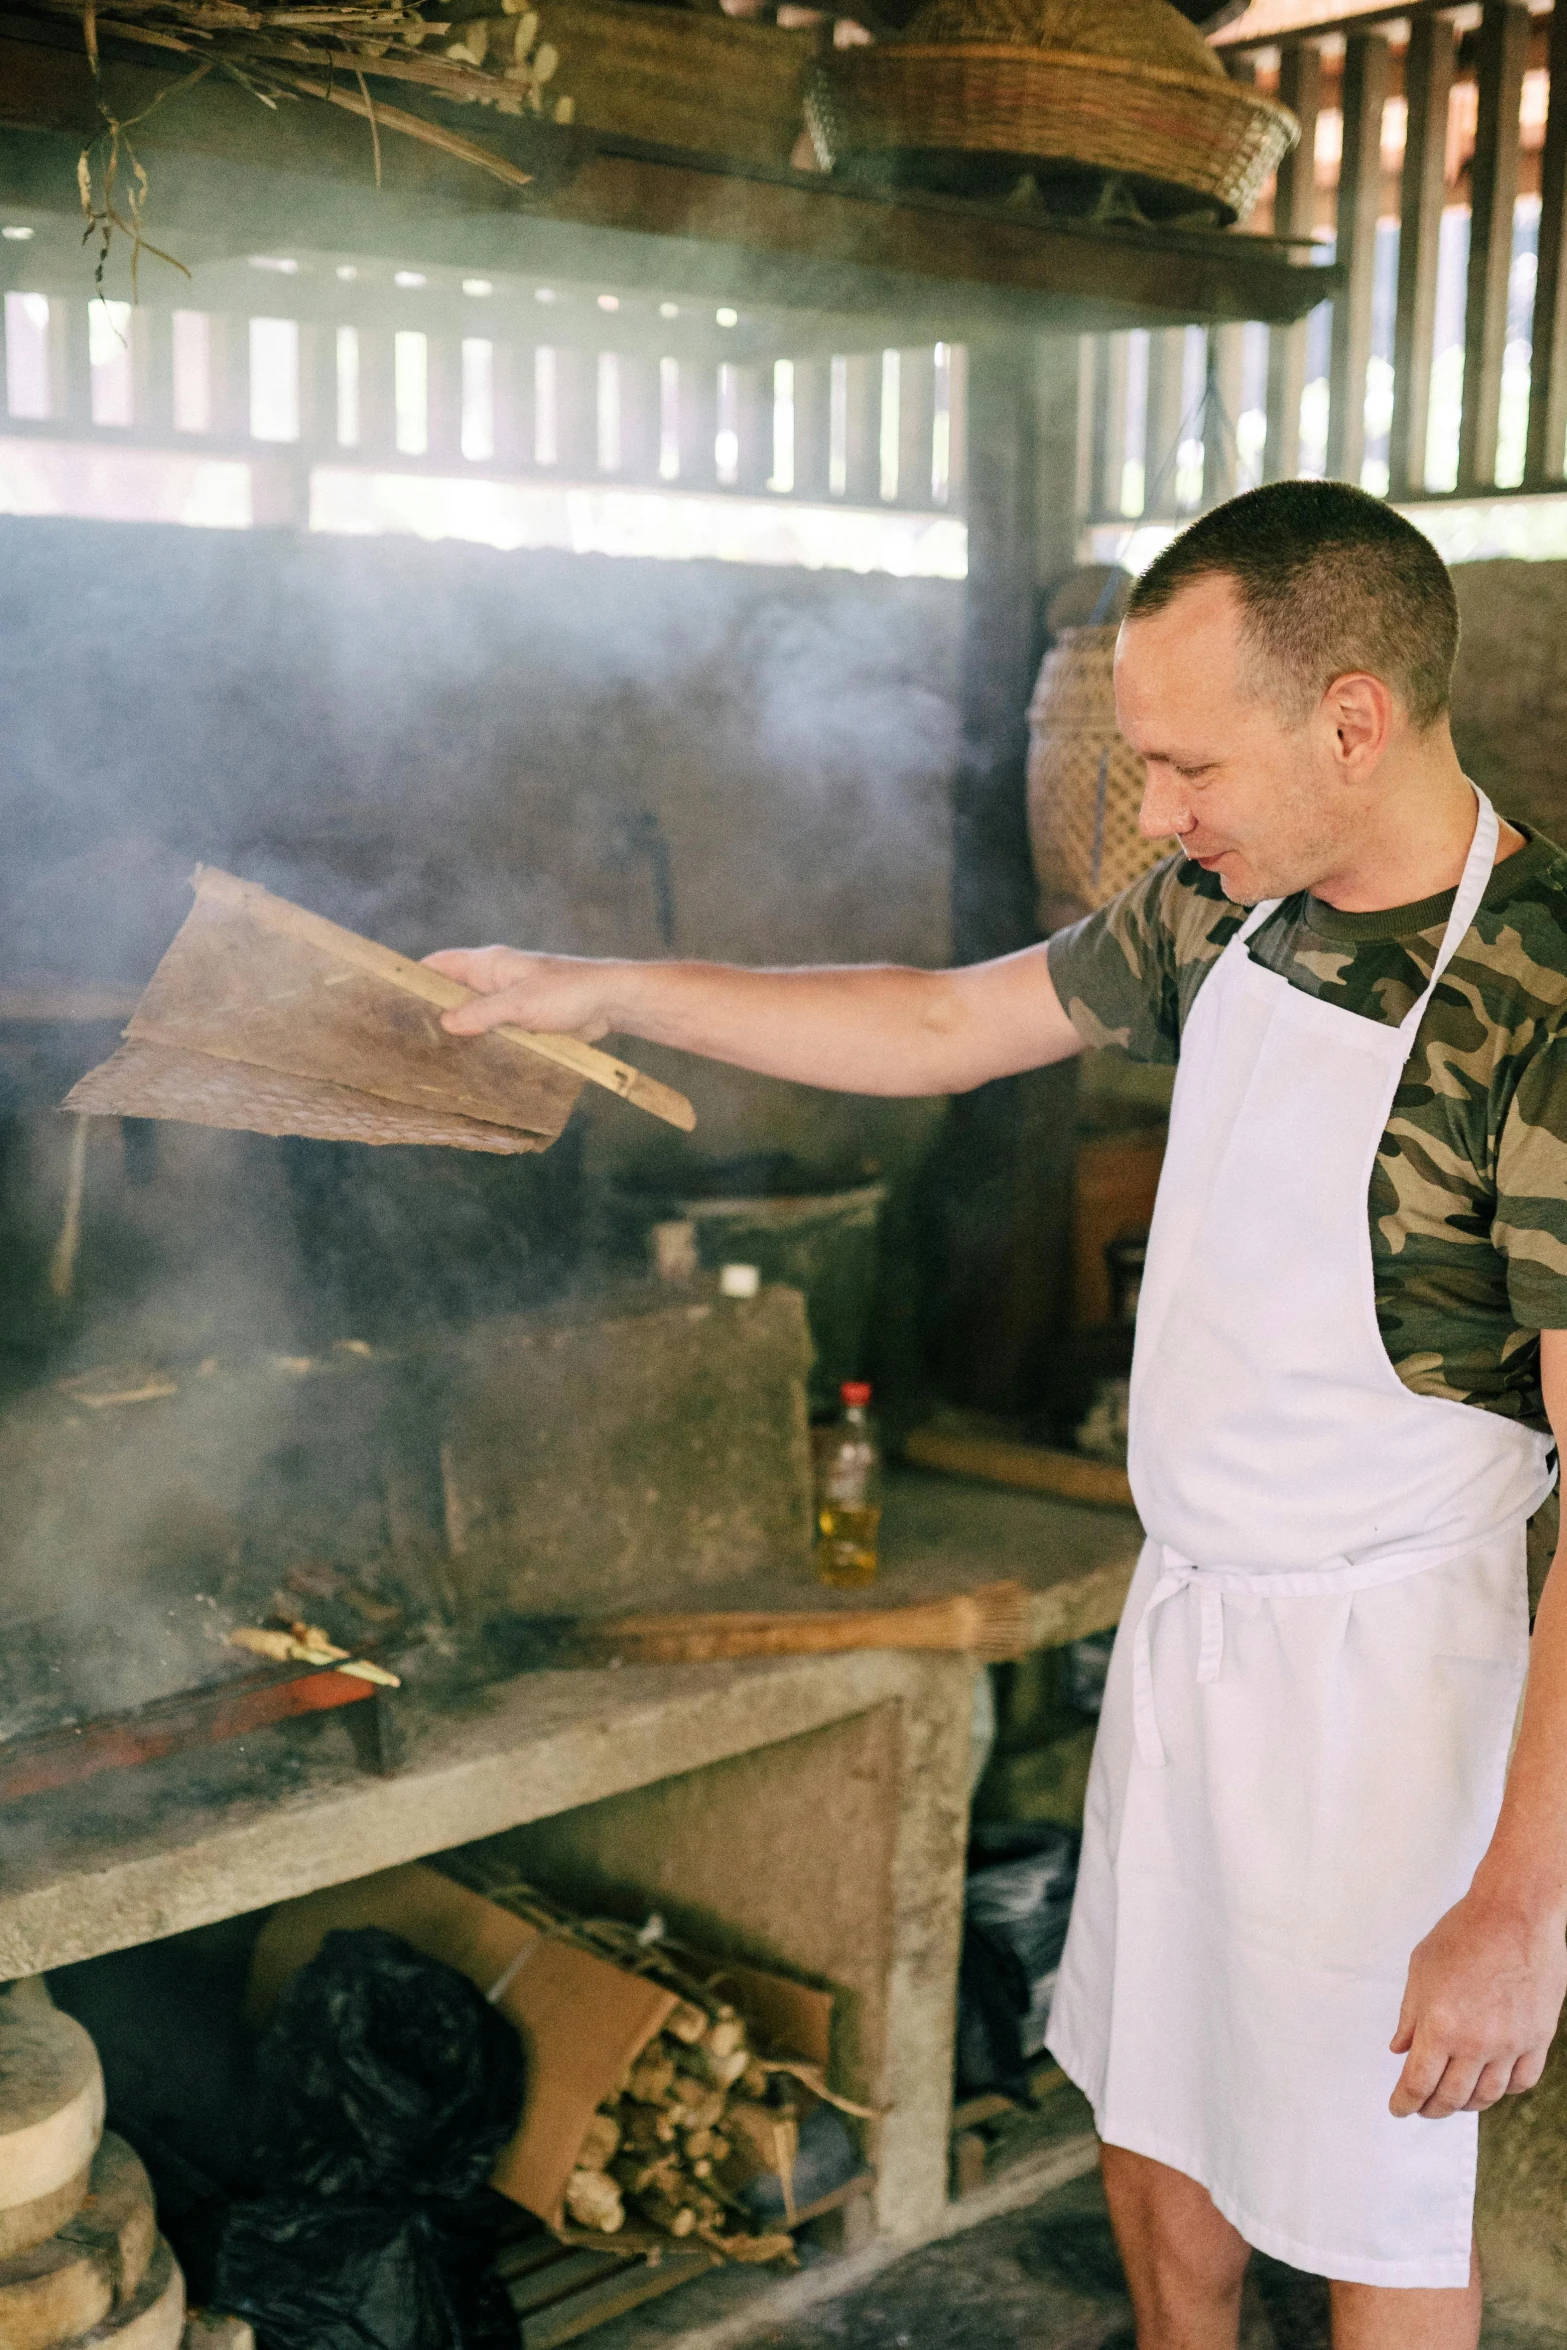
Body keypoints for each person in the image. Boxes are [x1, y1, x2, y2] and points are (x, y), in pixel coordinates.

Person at [427, 481, 1567, 2349]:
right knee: (1155, 2140)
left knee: (1376, 2207)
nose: (1158, 815)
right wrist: (611, 985)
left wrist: (1520, 1901)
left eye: (1189, 764)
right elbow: (941, 1026)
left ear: (1351, 719)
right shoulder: (1222, 913)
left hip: (1403, 1701)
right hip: (1195, 1635)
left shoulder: (1537, 1011)